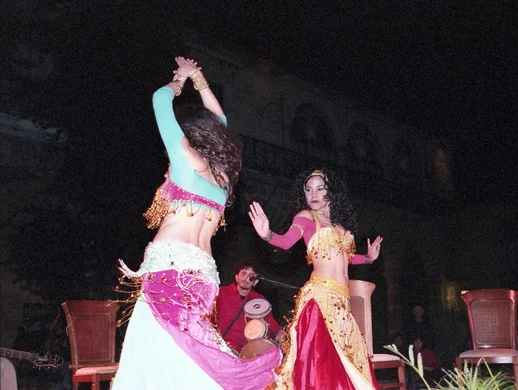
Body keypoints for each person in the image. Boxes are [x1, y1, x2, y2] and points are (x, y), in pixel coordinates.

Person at [113, 57, 281, 390]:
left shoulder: (184, 157)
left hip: (171, 266)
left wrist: (180, 79)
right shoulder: (223, 181)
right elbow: (222, 119)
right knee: (187, 356)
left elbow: (160, 100)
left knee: (154, 359)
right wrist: (199, 79)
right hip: (204, 273)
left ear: (193, 134)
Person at [249, 168, 383, 389]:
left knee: (349, 360)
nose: (314, 194)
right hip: (320, 297)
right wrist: (267, 234)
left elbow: (345, 257)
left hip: (342, 300)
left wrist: (369, 258)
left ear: (331, 192)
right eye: (309, 189)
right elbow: (285, 242)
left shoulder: (340, 225)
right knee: (321, 364)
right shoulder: (306, 218)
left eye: (320, 189)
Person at [213, 259, 282, 353]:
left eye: (251, 276)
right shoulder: (221, 293)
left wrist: (280, 333)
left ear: (255, 282)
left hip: (243, 354)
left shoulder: (259, 300)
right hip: (219, 348)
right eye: (243, 273)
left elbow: (270, 324)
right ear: (236, 277)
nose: (246, 278)